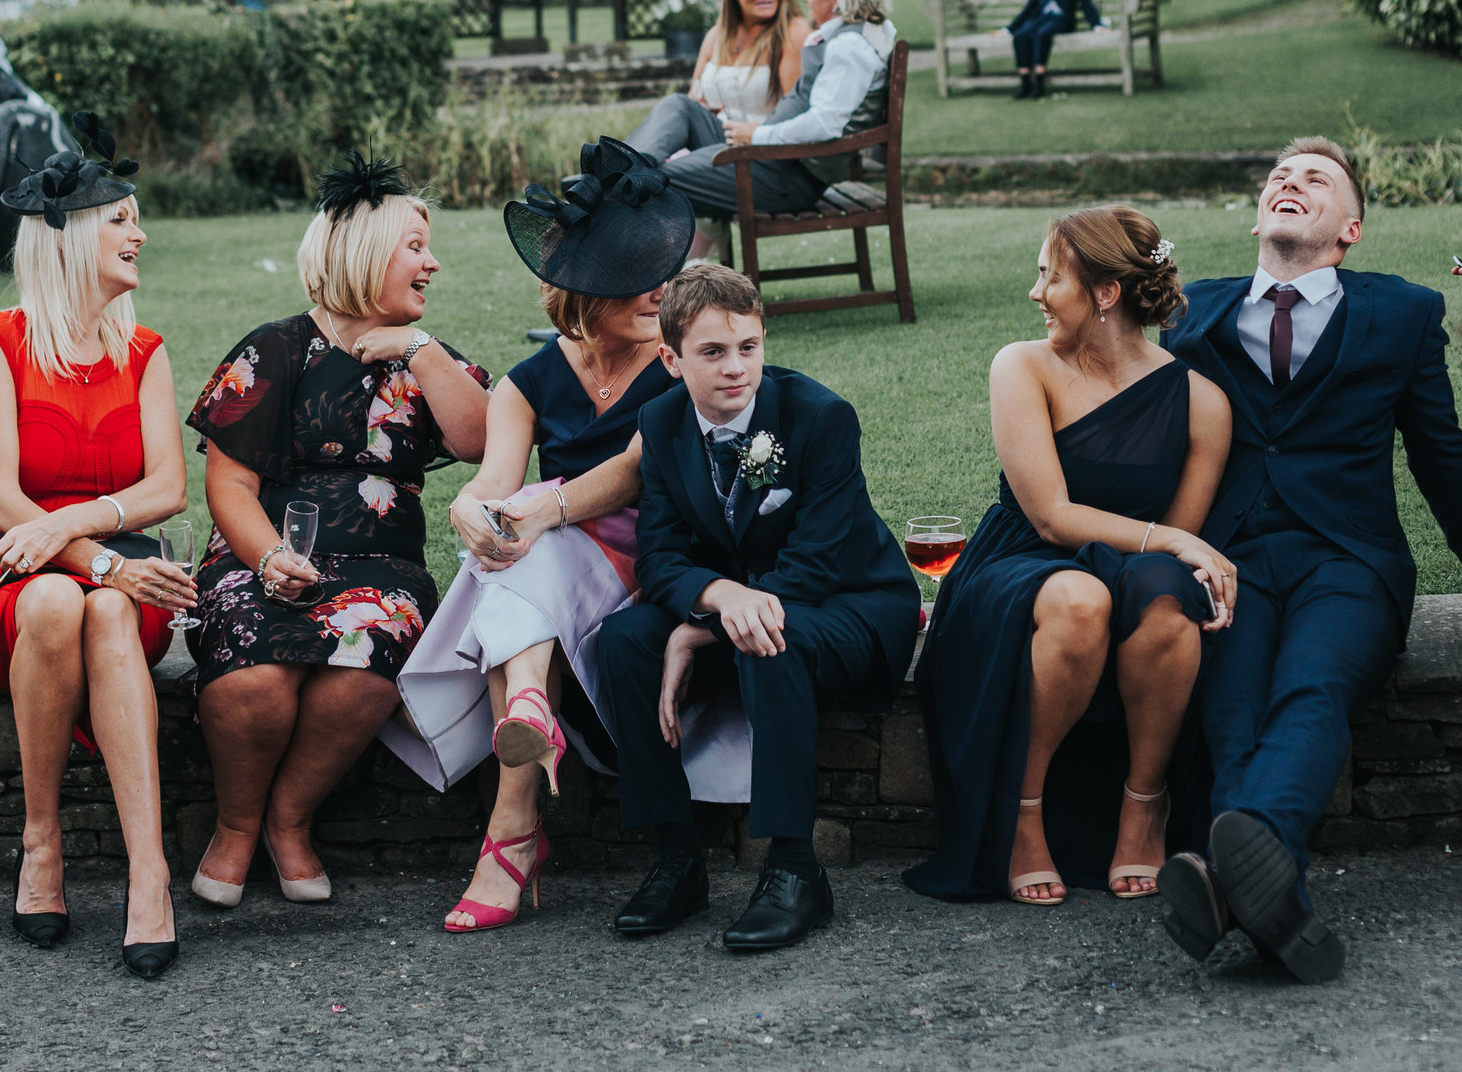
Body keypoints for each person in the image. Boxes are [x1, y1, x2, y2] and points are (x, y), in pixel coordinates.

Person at [1156, 138, 1462, 983]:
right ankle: (1271, 900)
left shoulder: (1402, 313)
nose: (1290, 183)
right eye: (1278, 176)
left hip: (1350, 558)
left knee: (1312, 683)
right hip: (1231, 560)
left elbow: (1442, 461)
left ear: (1350, 230)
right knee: (1231, 707)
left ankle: (1233, 871)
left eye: (1317, 179)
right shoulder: (1190, 313)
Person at [388, 137, 691, 932]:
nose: (658, 290)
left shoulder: (676, 361)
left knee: (526, 545)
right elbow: (493, 479)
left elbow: (630, 472)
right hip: (552, 563)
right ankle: (523, 739)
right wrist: (473, 511)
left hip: (641, 552)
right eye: (635, 280)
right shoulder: (530, 380)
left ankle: (514, 822)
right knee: (513, 545)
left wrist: (535, 510)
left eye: (660, 273)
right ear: (587, 290)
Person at [181, 153, 490, 910]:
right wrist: (270, 556)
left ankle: (290, 820)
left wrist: (421, 352)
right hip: (263, 556)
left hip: (382, 571)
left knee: (362, 662)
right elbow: (229, 484)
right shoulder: (275, 349)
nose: (433, 261)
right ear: (364, 252)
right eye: (415, 246)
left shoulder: (427, 360)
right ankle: (235, 824)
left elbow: (482, 439)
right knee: (258, 674)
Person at [906, 207, 1235, 906]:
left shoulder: (1201, 401)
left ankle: (1144, 802)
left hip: (1129, 565)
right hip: (1020, 559)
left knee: (1168, 600)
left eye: (1050, 275)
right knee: (1081, 601)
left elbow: (1174, 548)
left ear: (1106, 293)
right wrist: (1170, 540)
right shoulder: (1023, 366)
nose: (1036, 292)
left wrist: (1172, 548)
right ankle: (1023, 812)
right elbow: (1051, 515)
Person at [597, 264, 919, 952]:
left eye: (749, 346)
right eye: (712, 352)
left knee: (767, 634)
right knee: (625, 640)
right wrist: (715, 600)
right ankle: (677, 858)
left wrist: (703, 631)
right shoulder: (661, 421)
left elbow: (814, 564)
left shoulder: (820, 417)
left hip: (849, 604)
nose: (736, 367)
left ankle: (796, 869)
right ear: (671, 358)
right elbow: (658, 556)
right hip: (742, 603)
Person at [0, 118, 197, 979]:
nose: (140, 234)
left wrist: (76, 521)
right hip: (7, 586)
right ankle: (39, 839)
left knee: (114, 610)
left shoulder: (143, 349)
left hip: (123, 591)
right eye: (122, 218)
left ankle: (148, 872)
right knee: (63, 598)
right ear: (73, 233)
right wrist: (96, 556)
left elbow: (169, 488)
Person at [644, 0, 898, 225]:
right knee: (678, 106)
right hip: (768, 160)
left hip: (785, 176)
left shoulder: (849, 47)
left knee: (650, 183)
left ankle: (614, 179)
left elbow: (824, 125)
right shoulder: (860, 35)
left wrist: (756, 136)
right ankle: (625, 165)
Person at [629, 0, 810, 157]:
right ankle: (620, 167)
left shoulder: (793, 32)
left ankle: (625, 169)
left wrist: (759, 134)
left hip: (763, 151)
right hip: (717, 143)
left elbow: (798, 114)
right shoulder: (717, 36)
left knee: (676, 109)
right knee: (676, 109)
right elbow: (693, 103)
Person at [1006, 0, 1105, 100]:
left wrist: (1096, 25)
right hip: (1042, 19)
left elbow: (1086, 5)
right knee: (1022, 34)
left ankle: (1039, 78)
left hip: (1062, 20)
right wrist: (1009, 29)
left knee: (1042, 34)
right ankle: (1025, 80)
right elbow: (1028, 9)